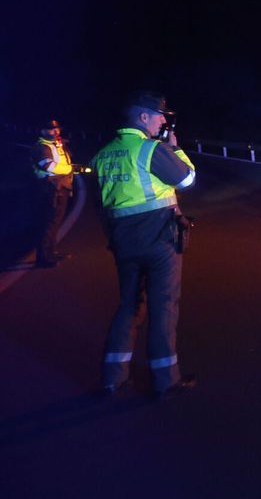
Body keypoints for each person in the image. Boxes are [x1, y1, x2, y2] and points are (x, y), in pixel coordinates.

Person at [91, 91, 197, 398]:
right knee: (163, 305)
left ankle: (113, 378)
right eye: (159, 115)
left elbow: (101, 204)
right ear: (143, 117)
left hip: (123, 242)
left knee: (129, 305)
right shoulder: (151, 149)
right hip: (159, 240)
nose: (163, 120)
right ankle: (166, 381)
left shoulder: (103, 154)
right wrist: (175, 149)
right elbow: (187, 180)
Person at [31, 119, 74, 268]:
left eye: (57, 129)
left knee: (55, 222)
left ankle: (51, 252)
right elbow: (49, 166)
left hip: (60, 188)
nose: (56, 131)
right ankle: (43, 257)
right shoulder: (41, 147)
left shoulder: (55, 145)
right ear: (43, 131)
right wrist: (69, 169)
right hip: (50, 189)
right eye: (52, 129)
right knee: (49, 222)